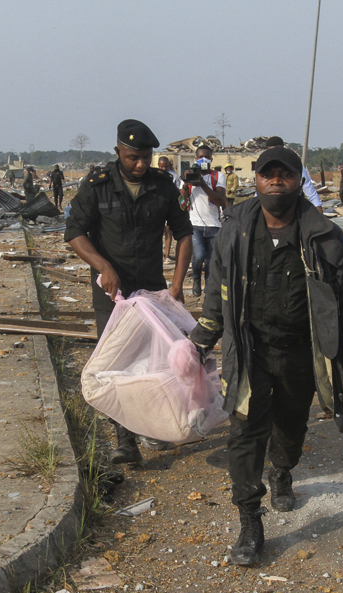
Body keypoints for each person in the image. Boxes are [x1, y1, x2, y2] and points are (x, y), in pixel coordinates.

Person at [189, 146, 343, 567]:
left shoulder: (323, 234)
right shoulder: (236, 226)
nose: (276, 180)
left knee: (290, 428)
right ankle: (250, 521)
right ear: (256, 180)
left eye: (285, 174)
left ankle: (283, 469)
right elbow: (219, 282)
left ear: (297, 181)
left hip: (300, 354)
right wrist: (204, 335)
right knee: (244, 433)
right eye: (268, 173)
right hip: (249, 349)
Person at [65, 119, 194, 464]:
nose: (140, 164)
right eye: (132, 157)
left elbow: (184, 233)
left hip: (152, 291)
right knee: (115, 364)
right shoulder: (97, 186)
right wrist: (102, 266)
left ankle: (152, 427)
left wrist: (178, 284)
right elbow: (75, 232)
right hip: (113, 295)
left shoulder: (163, 186)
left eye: (146, 157)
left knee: (154, 361)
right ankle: (125, 441)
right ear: (118, 151)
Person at [184, 145, 228, 297]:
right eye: (200, 156)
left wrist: (202, 183)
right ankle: (196, 279)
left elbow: (220, 199)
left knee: (211, 260)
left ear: (211, 159)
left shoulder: (218, 176)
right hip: (195, 224)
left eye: (207, 157)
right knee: (199, 256)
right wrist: (186, 183)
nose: (204, 159)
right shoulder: (190, 175)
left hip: (213, 224)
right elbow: (181, 201)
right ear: (195, 158)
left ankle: (209, 288)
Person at [264, 136, 321, 208]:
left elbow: (309, 189)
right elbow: (259, 192)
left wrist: (318, 210)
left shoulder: (295, 166)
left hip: (293, 208)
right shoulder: (264, 168)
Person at [159, 156, 183, 260]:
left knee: (168, 232)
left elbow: (178, 191)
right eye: (162, 166)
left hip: (169, 207)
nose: (164, 169)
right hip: (158, 207)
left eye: (166, 166)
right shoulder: (154, 176)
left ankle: (167, 255)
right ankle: (158, 255)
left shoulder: (173, 176)